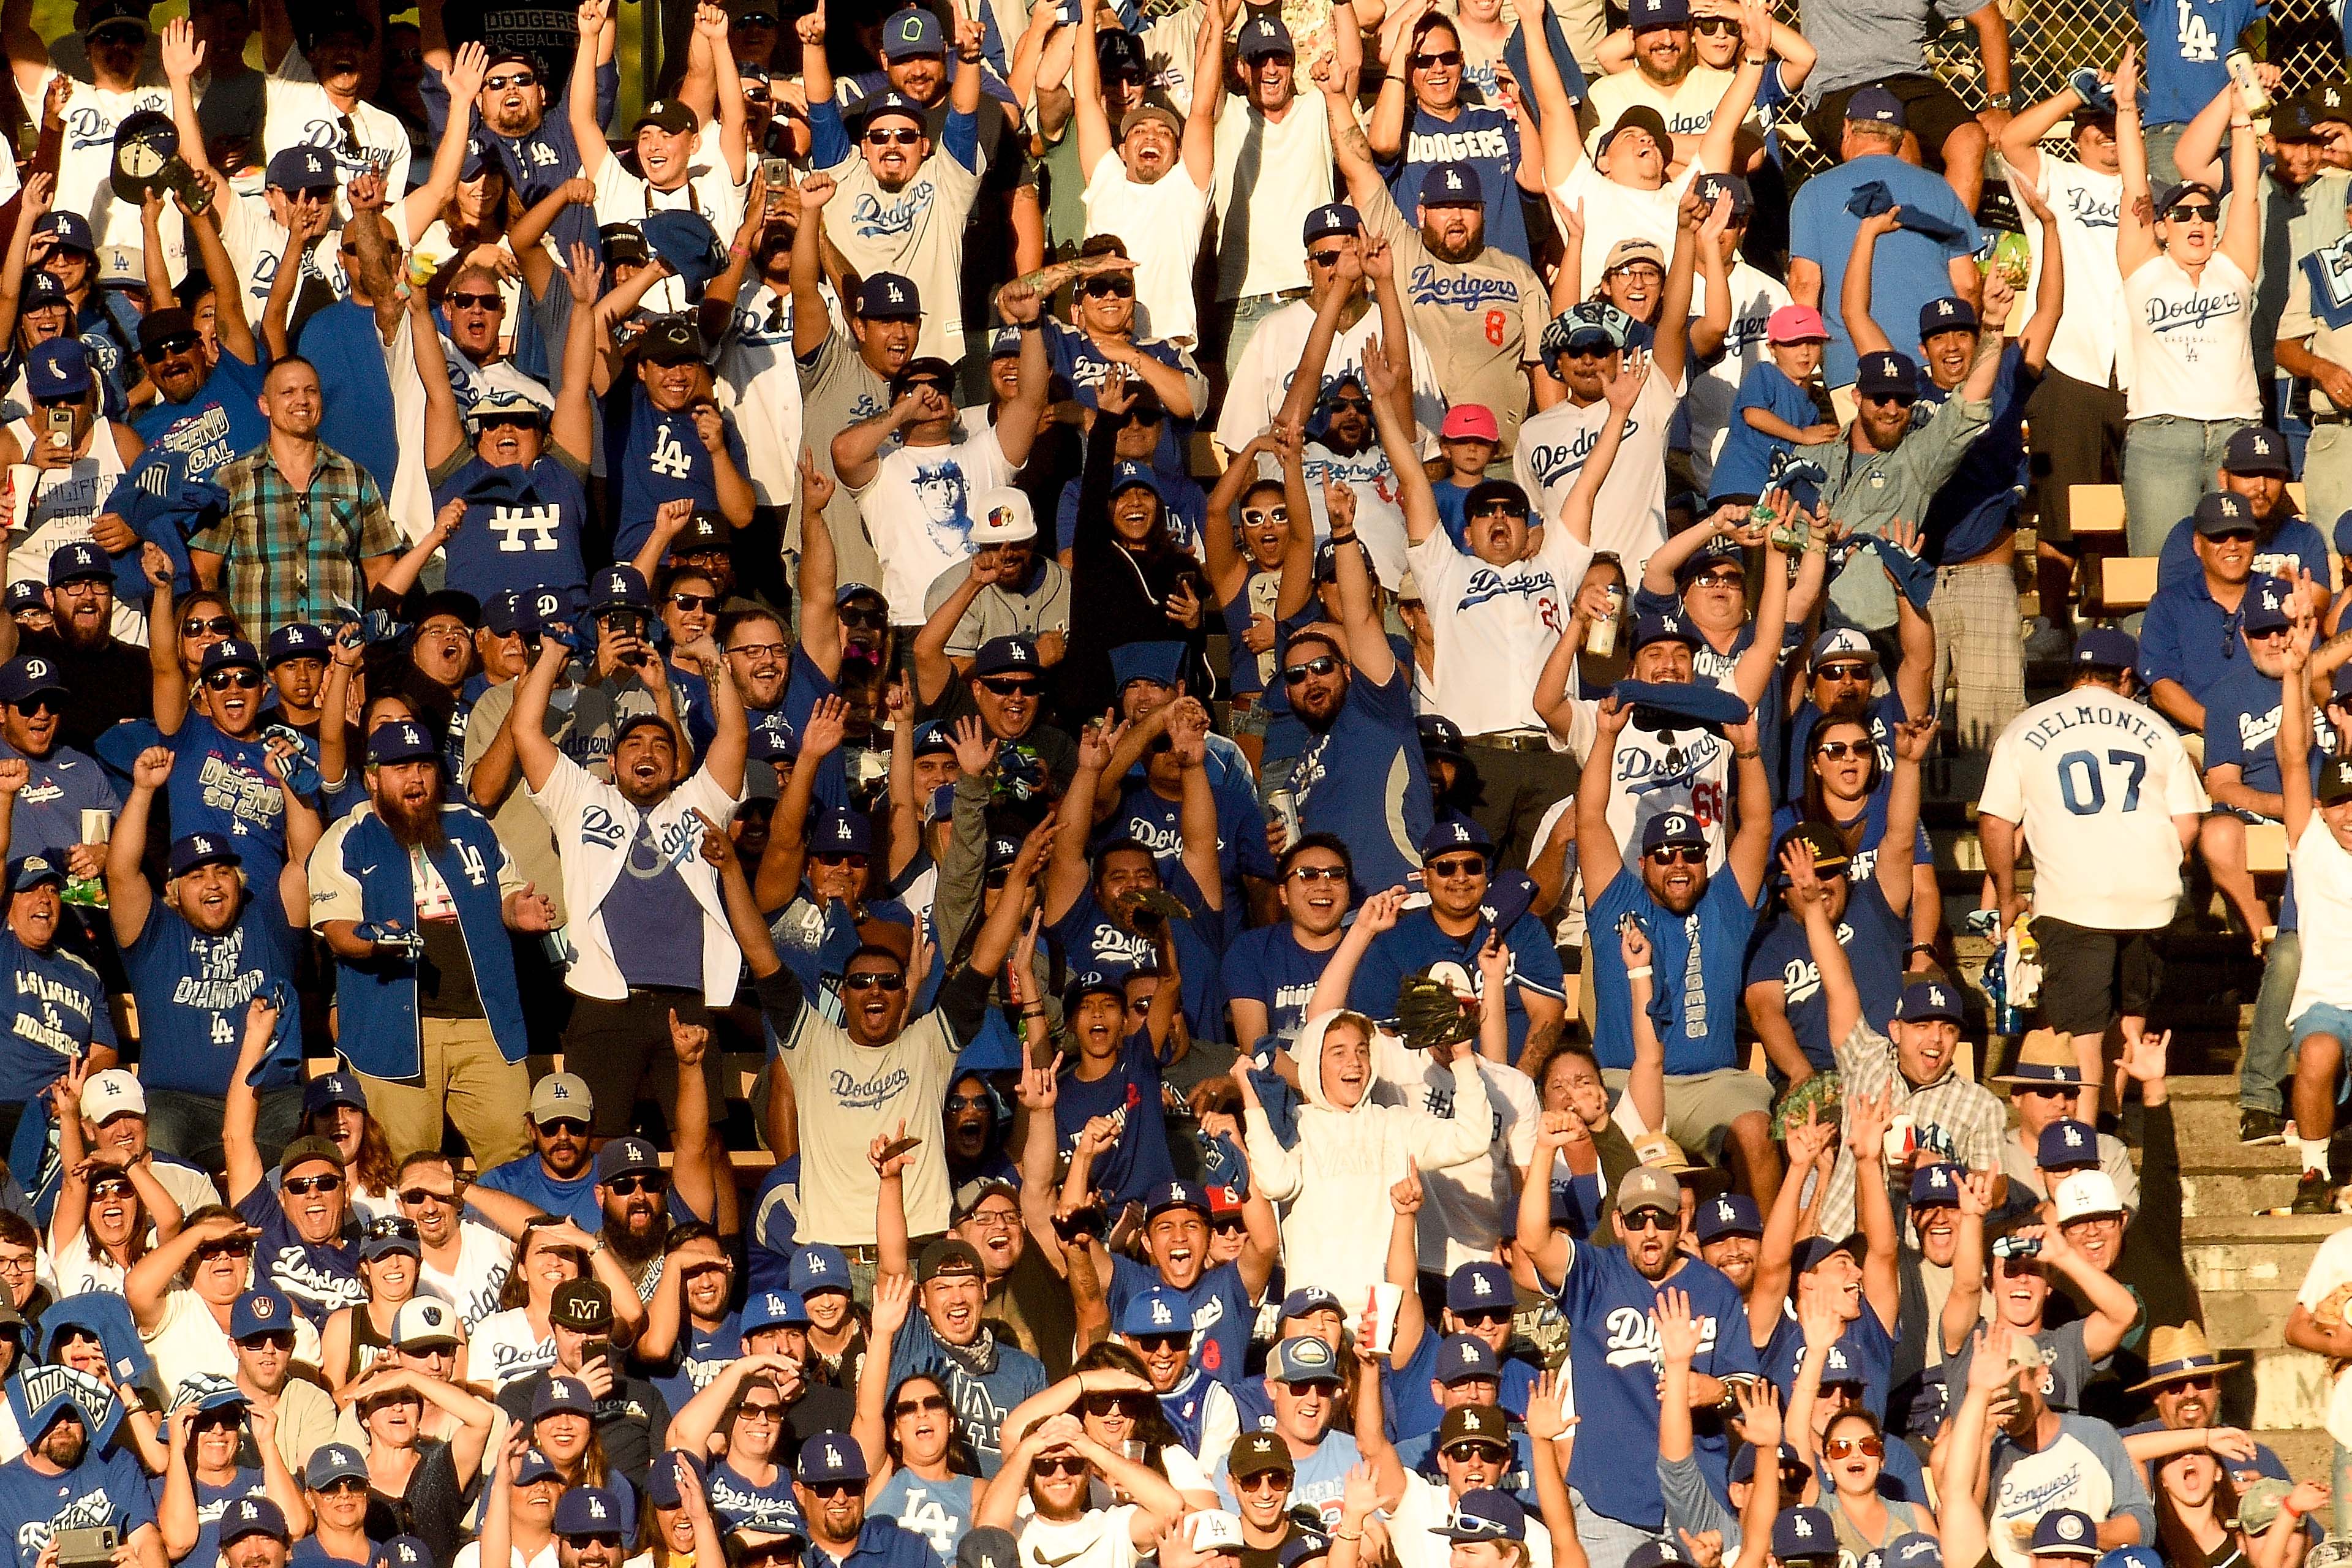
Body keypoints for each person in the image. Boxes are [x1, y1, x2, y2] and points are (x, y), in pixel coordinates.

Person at [306, 719, 557, 1167]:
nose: (416, 778)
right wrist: (375, 944)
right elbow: (337, 931)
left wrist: (518, 911)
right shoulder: (347, 838)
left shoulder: (471, 826)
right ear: (372, 778)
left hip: (485, 1023)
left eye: (424, 765)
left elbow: (505, 893)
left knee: (513, 1154)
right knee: (408, 1163)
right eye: (400, 768)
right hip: (394, 1030)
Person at [1980, 629, 2209, 1114]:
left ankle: (2085, 1144)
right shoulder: (2157, 729)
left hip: (2073, 895)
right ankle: (2116, 1121)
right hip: (2149, 895)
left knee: (2083, 1039)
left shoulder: (2025, 727)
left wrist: (2006, 895)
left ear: (2074, 675)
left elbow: (1996, 823)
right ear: (2126, 677)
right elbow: (2188, 823)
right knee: (2131, 1022)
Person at [2113, 47, 2264, 557]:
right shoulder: (2144, 270)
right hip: (2161, 438)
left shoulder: (2233, 266)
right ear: (2160, 226)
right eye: (2181, 214)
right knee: (2159, 574)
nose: (2196, 221)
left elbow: (2244, 192)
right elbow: (2135, 184)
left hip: (2236, 435)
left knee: (2239, 575)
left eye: (2204, 212)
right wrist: (2127, 109)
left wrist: (2241, 118)